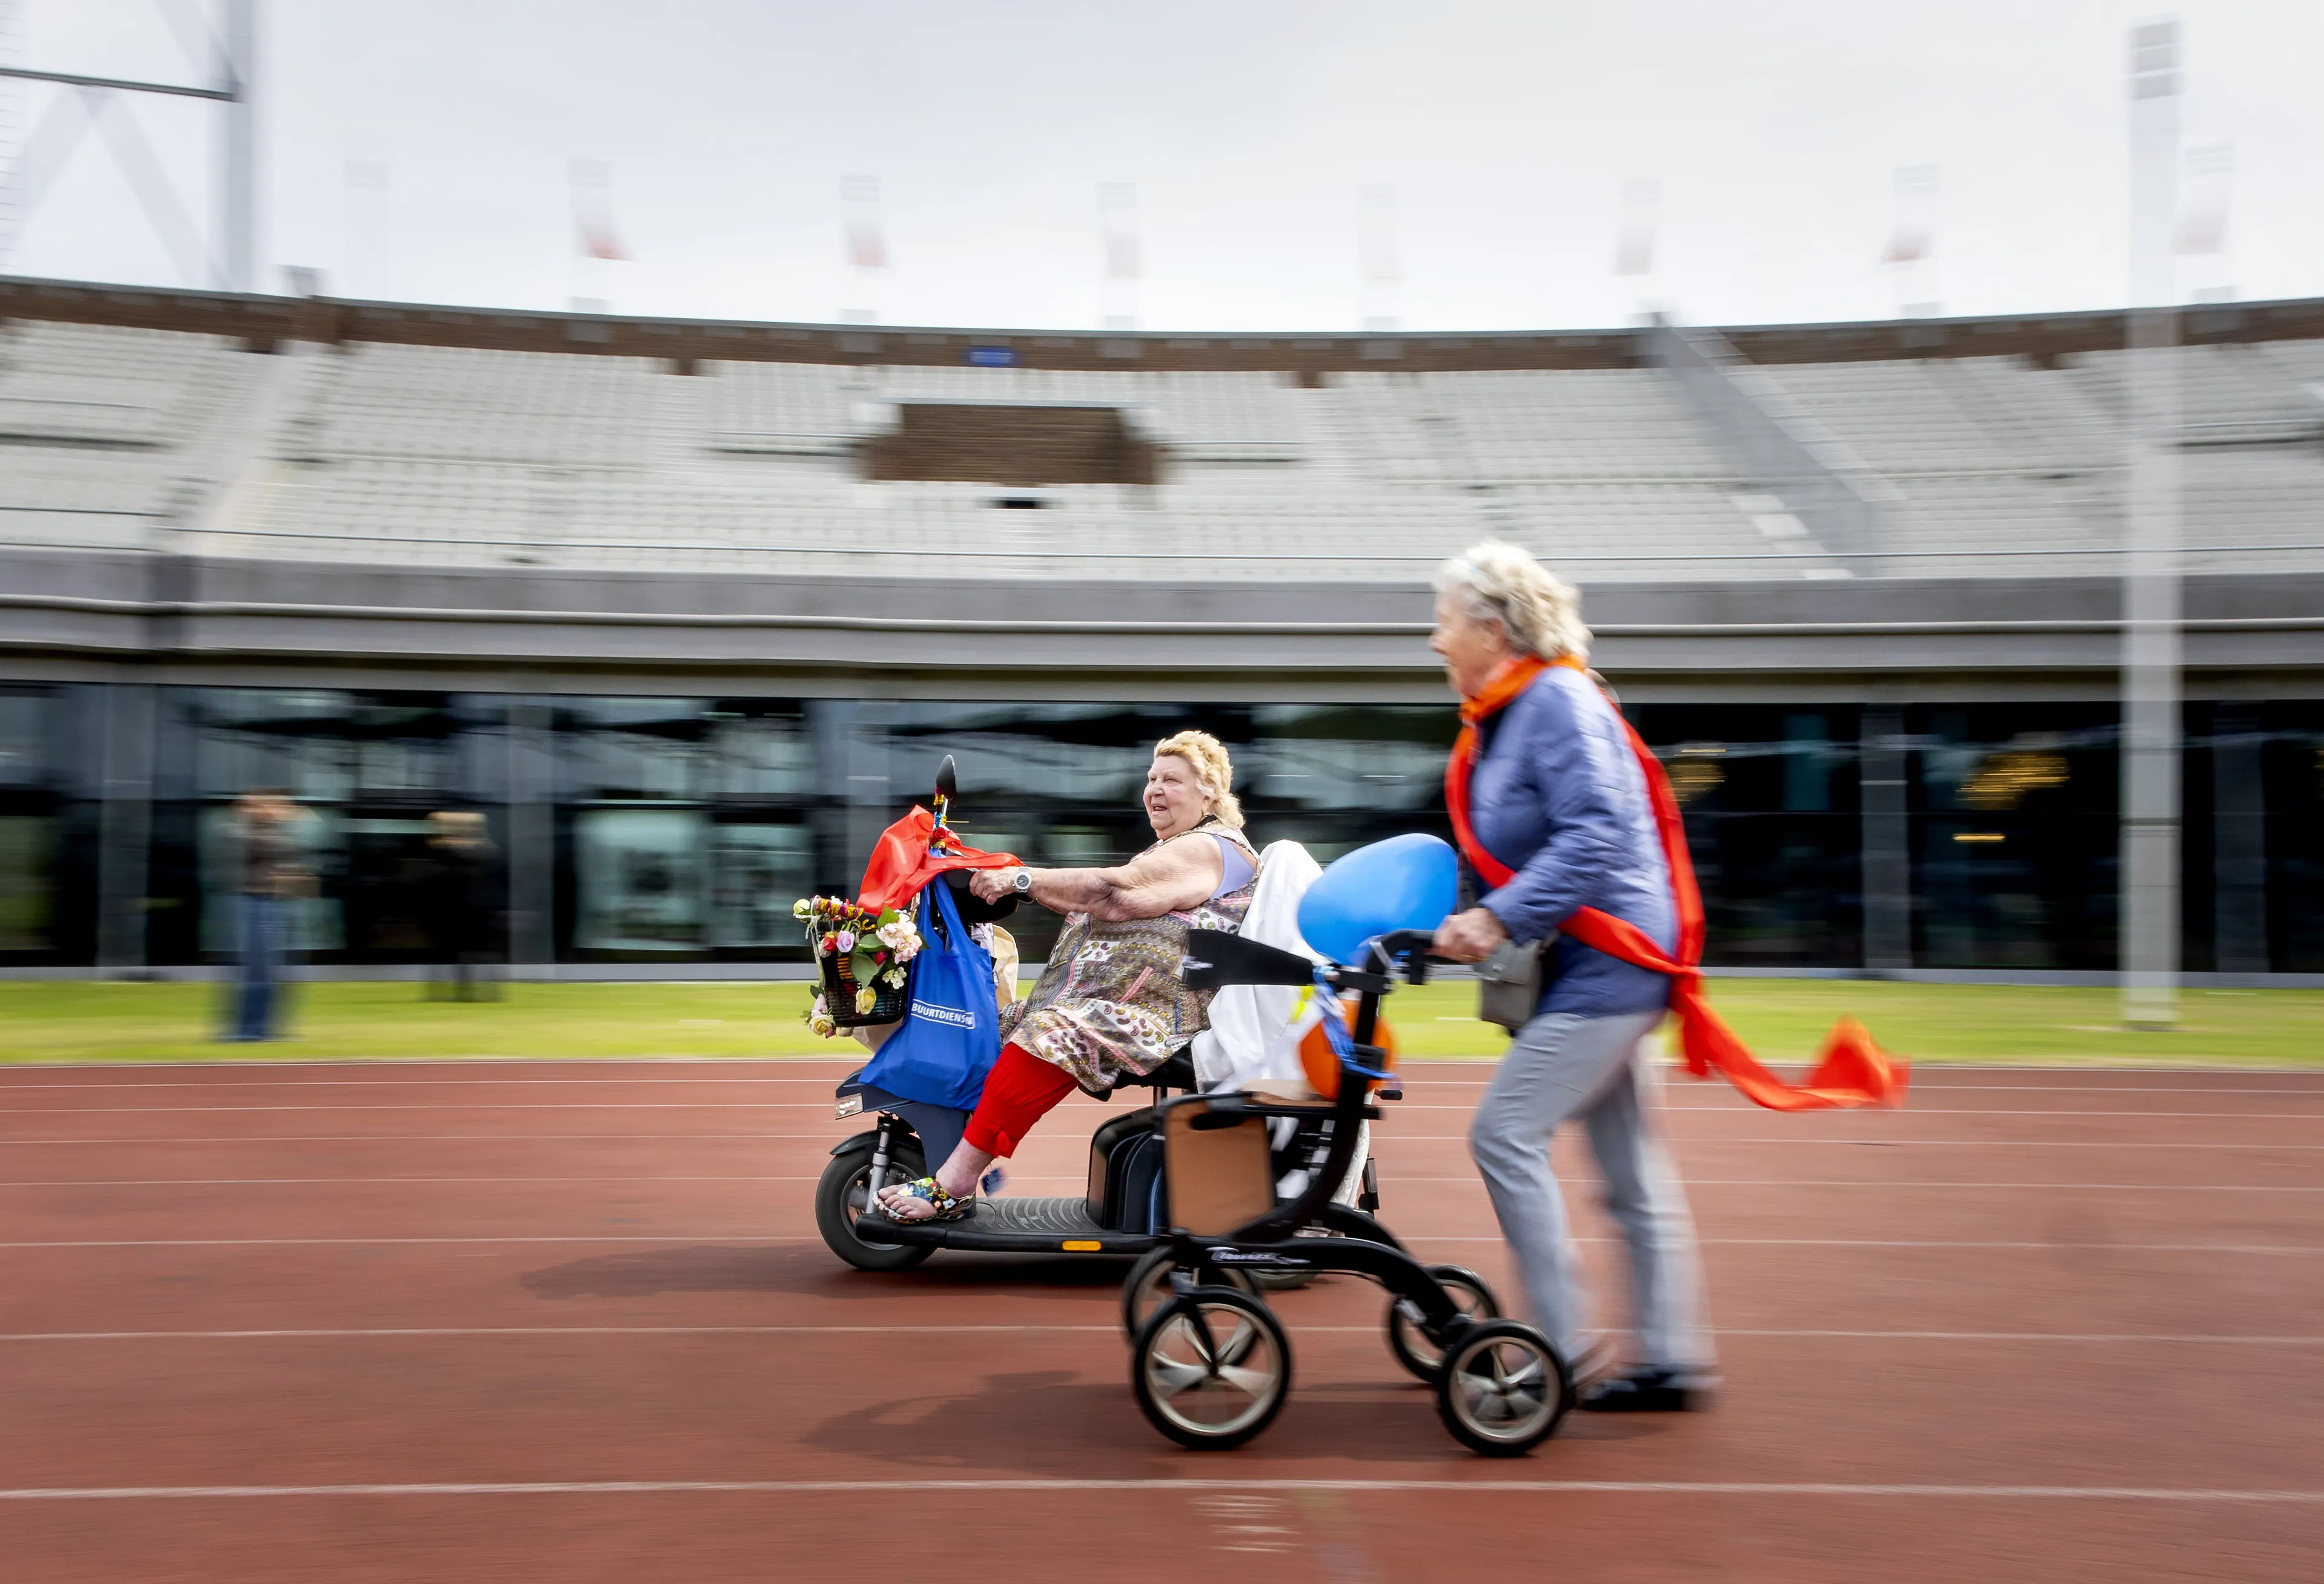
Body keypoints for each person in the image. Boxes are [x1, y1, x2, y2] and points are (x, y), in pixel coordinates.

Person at [1427, 540, 1719, 1412]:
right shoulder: (1510, 714)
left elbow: (1593, 833)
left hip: (1612, 965)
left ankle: (1559, 1348)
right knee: (1631, 1172)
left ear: (1489, 626)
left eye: (1443, 622)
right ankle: (1672, 1359)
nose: (1434, 643)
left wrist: (1497, 917)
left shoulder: (1555, 698)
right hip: (1587, 966)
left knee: (1503, 1133)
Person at [873, 730, 1258, 1222]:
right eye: (1152, 779)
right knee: (989, 1027)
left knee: (1047, 1035)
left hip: (1155, 1014)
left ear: (1209, 792)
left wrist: (1021, 878)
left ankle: (958, 1181)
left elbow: (1112, 893)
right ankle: (962, 1146)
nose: (1155, 789)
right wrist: (1004, 880)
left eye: (1172, 780)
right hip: (1110, 1002)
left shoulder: (1211, 847)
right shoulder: (1180, 847)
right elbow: (1087, 894)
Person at [223, 790, 306, 1042]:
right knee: (258, 971)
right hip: (255, 903)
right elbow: (264, 848)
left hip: (274, 903)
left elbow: (289, 855)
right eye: (266, 805)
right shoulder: (241, 833)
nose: (276, 810)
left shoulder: (272, 833)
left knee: (271, 972)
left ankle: (265, 1029)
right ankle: (247, 1031)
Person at [422, 810, 501, 1001]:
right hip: (475, 911)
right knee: (474, 953)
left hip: (459, 912)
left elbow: (438, 880)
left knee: (452, 953)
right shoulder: (485, 854)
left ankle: (447, 993)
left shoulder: (447, 855)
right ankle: (481, 993)